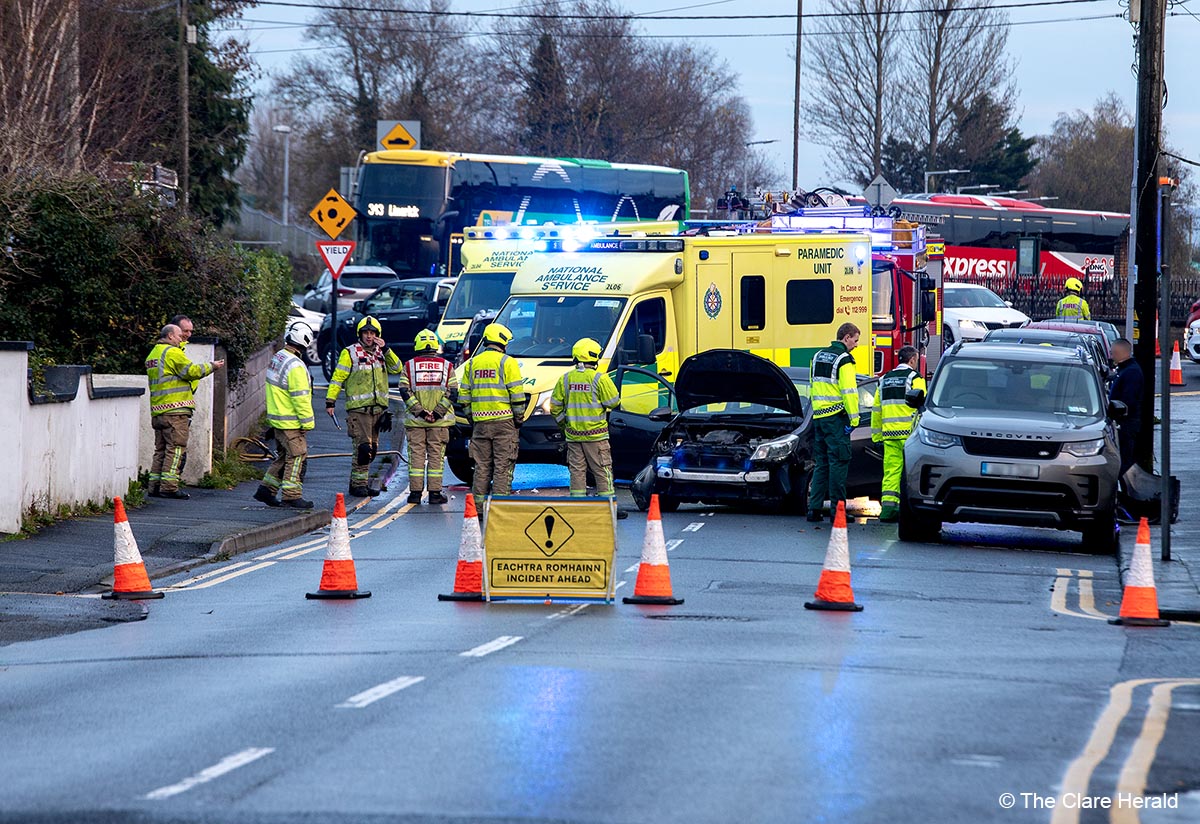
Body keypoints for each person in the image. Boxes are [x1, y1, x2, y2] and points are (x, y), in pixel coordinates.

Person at [144, 323, 225, 499]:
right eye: (180, 335)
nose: (182, 338)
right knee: (176, 448)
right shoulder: (172, 353)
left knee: (161, 450)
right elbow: (191, 371)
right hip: (175, 410)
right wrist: (212, 366)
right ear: (171, 336)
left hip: (158, 411)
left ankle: (155, 486)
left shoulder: (154, 353)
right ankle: (169, 487)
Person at [325, 316, 402, 497]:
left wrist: (387, 349)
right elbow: (338, 377)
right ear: (360, 334)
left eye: (372, 333)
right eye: (366, 333)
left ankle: (356, 483)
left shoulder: (381, 353)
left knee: (372, 450)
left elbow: (397, 368)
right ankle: (359, 485)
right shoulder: (349, 353)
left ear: (378, 335)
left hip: (378, 411)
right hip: (358, 411)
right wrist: (330, 401)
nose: (369, 336)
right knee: (363, 449)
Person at [550, 337, 626, 518]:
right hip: (596, 436)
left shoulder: (565, 379)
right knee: (602, 470)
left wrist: (565, 425)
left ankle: (577, 507)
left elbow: (554, 407)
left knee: (577, 471)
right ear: (593, 356)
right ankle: (608, 508)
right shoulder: (599, 378)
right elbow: (614, 401)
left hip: (574, 436)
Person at [460, 323, 526, 501]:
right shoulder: (508, 362)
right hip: (504, 423)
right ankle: (498, 508)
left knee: (482, 467)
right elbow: (517, 396)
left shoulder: (472, 363)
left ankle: (479, 508)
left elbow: (464, 397)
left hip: (480, 423)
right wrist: (518, 419)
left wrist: (472, 418)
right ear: (502, 342)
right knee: (502, 466)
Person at [254, 322, 316, 509]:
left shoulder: (279, 357)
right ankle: (291, 495)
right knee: (297, 456)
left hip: (277, 419)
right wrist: (308, 423)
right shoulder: (296, 365)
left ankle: (266, 490)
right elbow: (301, 398)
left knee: (283, 457)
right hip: (291, 421)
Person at [807, 322, 861, 521]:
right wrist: (854, 419)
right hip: (836, 418)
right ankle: (837, 512)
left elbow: (812, 386)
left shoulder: (817, 356)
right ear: (846, 337)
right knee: (839, 463)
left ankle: (814, 509)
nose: (856, 345)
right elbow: (849, 392)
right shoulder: (844, 360)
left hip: (819, 417)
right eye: (855, 340)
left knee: (821, 464)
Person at [399, 329, 458, 505]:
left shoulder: (409, 366)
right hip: (439, 422)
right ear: (435, 345)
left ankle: (415, 494)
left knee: (416, 457)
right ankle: (434, 494)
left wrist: (421, 412)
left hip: (416, 421)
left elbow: (404, 391)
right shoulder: (447, 366)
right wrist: (438, 412)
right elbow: (452, 392)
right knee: (436, 457)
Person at [871, 346, 926, 522]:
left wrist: (876, 436)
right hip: (910, 435)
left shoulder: (884, 379)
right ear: (911, 360)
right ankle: (908, 511)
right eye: (916, 360)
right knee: (912, 474)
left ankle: (887, 510)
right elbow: (922, 406)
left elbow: (876, 410)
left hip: (889, 435)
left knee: (891, 472)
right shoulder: (915, 378)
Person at [1109, 337, 1143, 477]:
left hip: (1126, 424)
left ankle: (1126, 489)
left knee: (1125, 460)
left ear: (1118, 352)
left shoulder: (1131, 372)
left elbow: (1127, 401)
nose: (1111, 356)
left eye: (1112, 352)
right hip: (1124, 423)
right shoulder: (1126, 370)